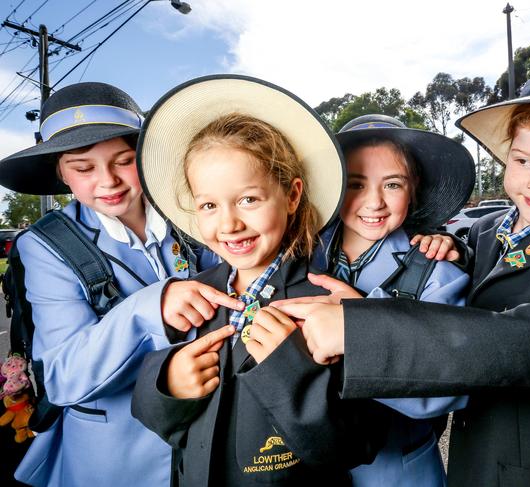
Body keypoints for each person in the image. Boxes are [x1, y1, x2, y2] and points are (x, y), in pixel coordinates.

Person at [274, 49, 530, 487]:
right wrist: (450, 242)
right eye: (525, 160)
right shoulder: (486, 230)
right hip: (476, 462)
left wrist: (359, 329)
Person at [131, 75, 386, 487]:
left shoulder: (327, 304)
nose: (229, 223)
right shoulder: (193, 296)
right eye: (209, 205)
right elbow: (166, 427)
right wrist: (168, 382)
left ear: (291, 195)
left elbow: (359, 444)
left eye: (248, 199)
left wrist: (291, 373)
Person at [0, 82, 240, 487]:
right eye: (83, 168)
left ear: (146, 159)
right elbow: (62, 377)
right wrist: (151, 309)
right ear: (61, 172)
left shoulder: (196, 213)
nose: (107, 181)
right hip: (116, 456)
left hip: (213, 437)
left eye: (123, 160)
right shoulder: (45, 245)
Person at [311, 114, 473, 487]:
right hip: (309, 466)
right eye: (355, 184)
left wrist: (360, 323)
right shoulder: (298, 256)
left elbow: (444, 389)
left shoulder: (438, 273)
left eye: (393, 184)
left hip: (397, 468)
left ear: (414, 189)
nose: (374, 202)